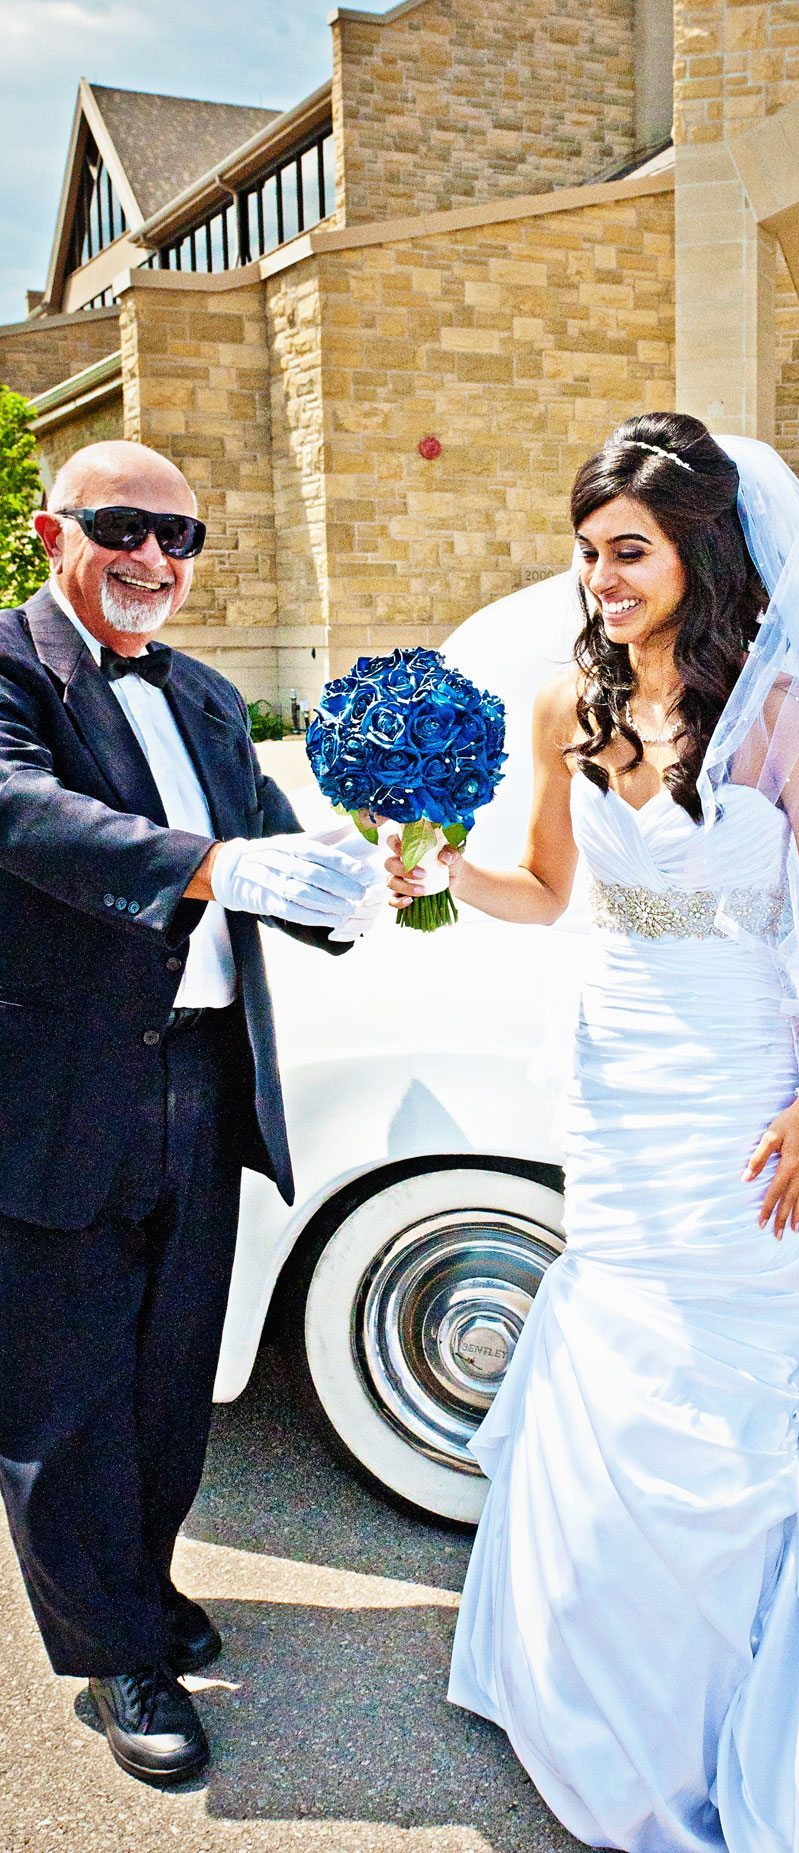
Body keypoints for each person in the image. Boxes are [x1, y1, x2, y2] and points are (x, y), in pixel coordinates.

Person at [388, 413, 799, 1851]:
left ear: (698, 551)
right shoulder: (571, 706)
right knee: (615, 1346)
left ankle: (763, 1685)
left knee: (743, 1365)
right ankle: (624, 1687)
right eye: (589, 552)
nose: (603, 577)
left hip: (744, 1082)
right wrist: (435, 870)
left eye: (630, 550)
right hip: (618, 1082)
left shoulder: (789, 705)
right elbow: (549, 890)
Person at [0, 440, 378, 1787]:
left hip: (208, 1082)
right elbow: (22, 814)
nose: (157, 560)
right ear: (56, 531)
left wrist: (362, 873)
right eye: (124, 527)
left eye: (182, 537)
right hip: (56, 1091)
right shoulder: (8, 666)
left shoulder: (210, 696)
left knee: (169, 1383)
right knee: (68, 1392)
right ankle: (114, 1656)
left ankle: (137, 1589)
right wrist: (220, 864)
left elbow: (285, 848)